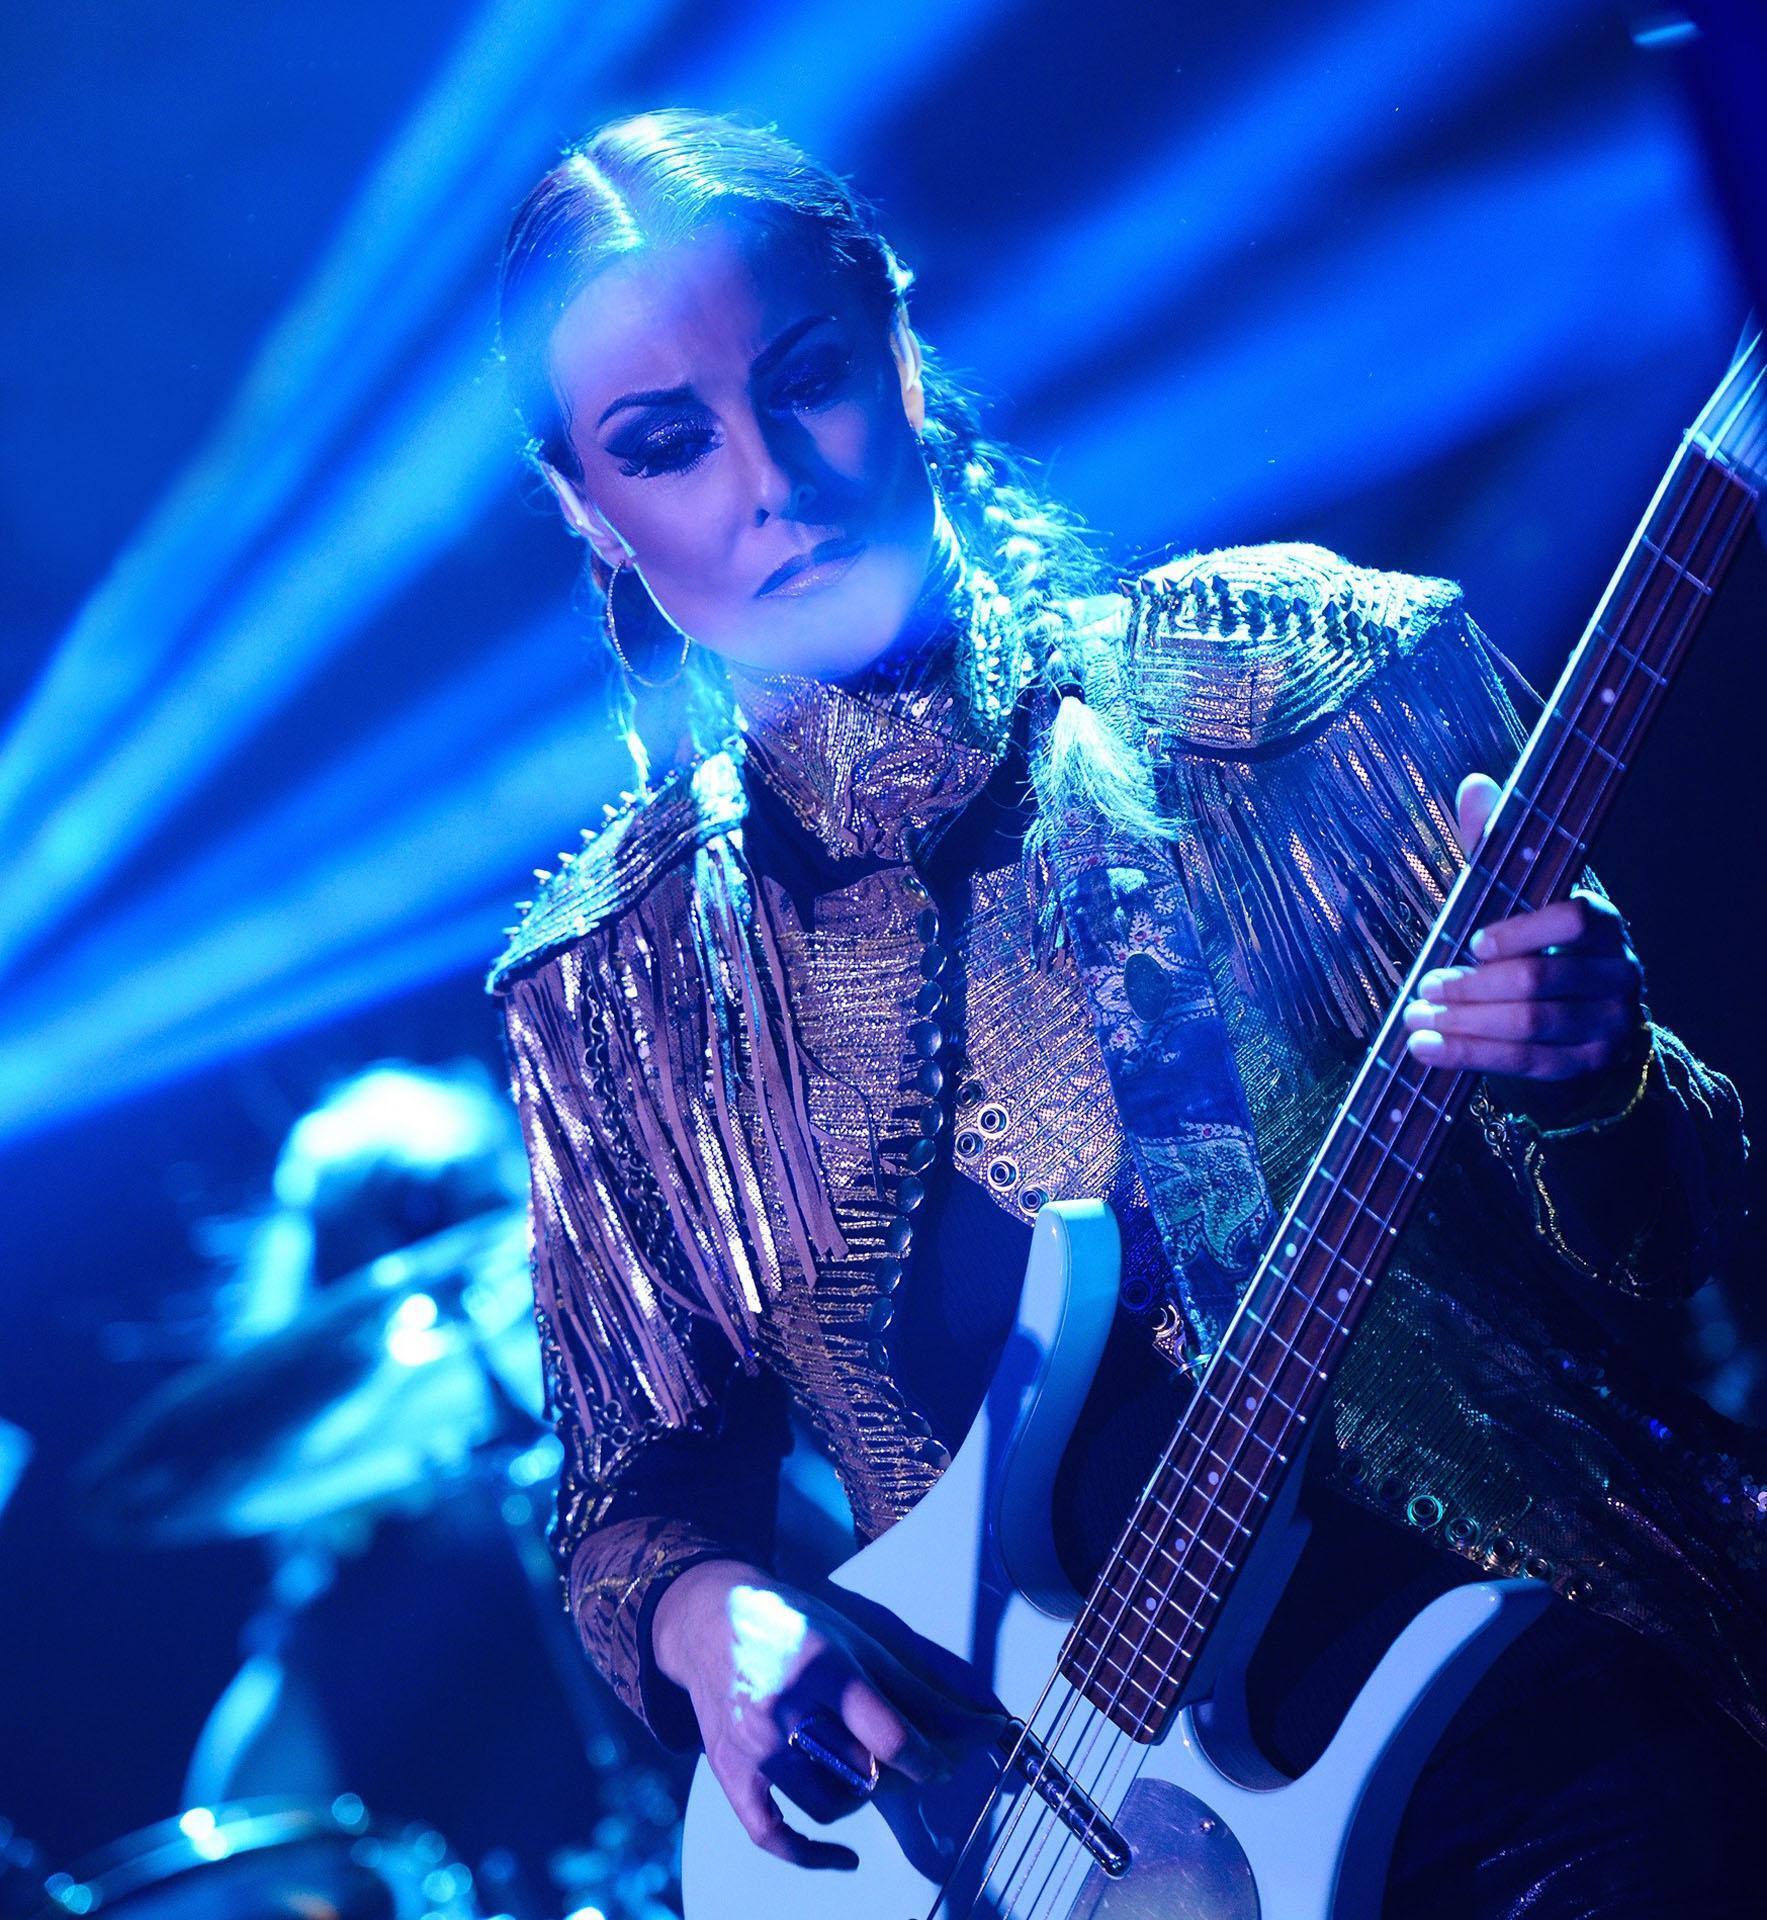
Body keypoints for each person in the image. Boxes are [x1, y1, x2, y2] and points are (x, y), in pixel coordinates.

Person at [488, 108, 1766, 1915]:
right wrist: (710, 1616)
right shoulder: (606, 989)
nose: (770, 480)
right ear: (586, 509)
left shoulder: (1302, 678)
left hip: (1543, 1728)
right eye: (667, 443)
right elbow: (636, 1487)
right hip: (1057, 1849)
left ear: (901, 352)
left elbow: (1675, 1253)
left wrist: (1592, 1077)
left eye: (809, 378)